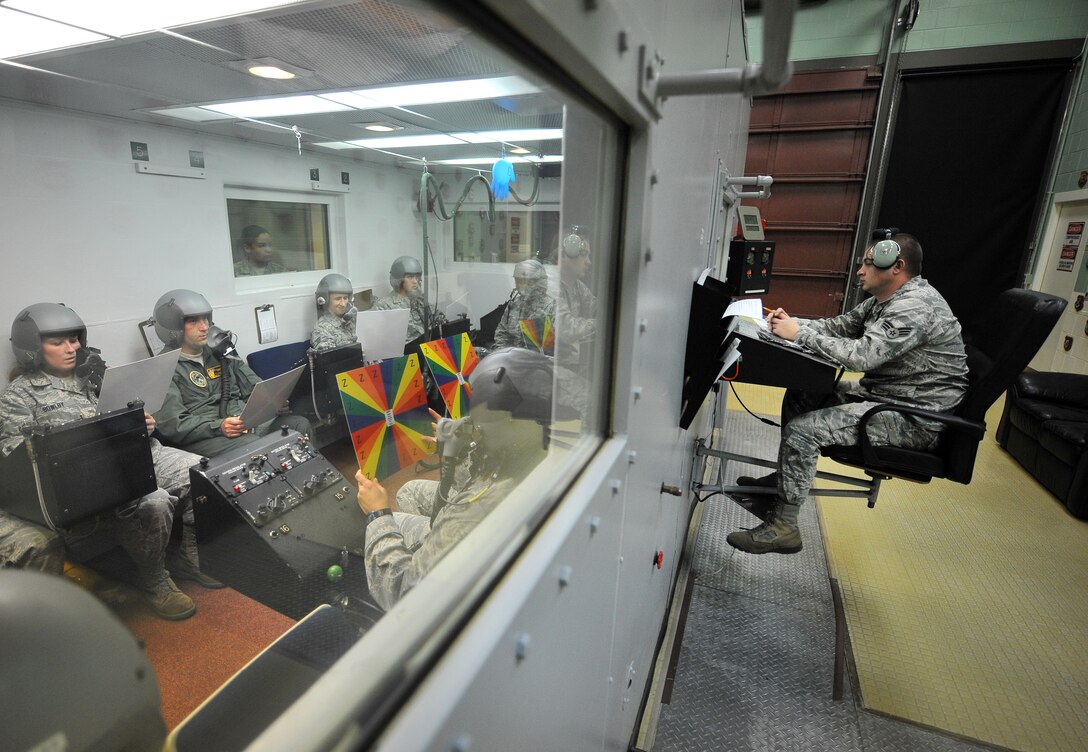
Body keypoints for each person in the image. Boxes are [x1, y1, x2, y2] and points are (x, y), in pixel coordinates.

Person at [727, 233, 969, 555]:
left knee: (805, 431)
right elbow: (837, 327)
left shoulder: (914, 308)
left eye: (869, 264)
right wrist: (789, 324)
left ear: (897, 267)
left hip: (914, 418)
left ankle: (784, 529)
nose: (860, 270)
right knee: (804, 391)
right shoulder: (884, 300)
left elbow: (860, 357)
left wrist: (799, 336)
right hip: (887, 396)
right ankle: (785, 482)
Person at [0, 303, 221, 621]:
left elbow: (125, 415)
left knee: (203, 472)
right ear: (32, 350)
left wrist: (139, 423)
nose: (72, 348)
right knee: (154, 501)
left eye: (74, 339)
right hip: (83, 475)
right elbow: (21, 461)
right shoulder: (18, 397)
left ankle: (191, 558)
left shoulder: (94, 375)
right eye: (57, 342)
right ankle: (154, 579)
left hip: (133, 454)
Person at [355, 348, 572, 610]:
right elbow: (491, 460)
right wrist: (455, 449)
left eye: (481, 421)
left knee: (384, 521)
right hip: (504, 539)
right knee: (408, 492)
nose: (473, 425)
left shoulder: (475, 509)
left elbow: (403, 592)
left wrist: (378, 514)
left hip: (466, 552)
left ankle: (423, 551)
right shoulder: (541, 444)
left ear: (501, 428)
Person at [152, 289, 312, 457]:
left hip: (239, 425)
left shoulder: (220, 351)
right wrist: (219, 426)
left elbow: (253, 386)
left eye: (206, 318)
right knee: (251, 445)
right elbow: (173, 424)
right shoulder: (162, 368)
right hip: (202, 437)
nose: (205, 327)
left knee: (299, 426)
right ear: (173, 328)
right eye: (193, 321)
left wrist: (272, 402)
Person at [493, 259, 556, 350]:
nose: (521, 285)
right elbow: (502, 333)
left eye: (525, 281)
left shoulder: (551, 307)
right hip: (512, 359)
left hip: (537, 361)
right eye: (518, 281)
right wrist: (502, 354)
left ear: (538, 282)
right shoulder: (514, 305)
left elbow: (552, 347)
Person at [556, 226, 597, 362]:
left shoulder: (577, 286)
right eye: (583, 255)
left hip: (568, 363)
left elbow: (596, 309)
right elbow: (568, 330)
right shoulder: (549, 286)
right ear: (563, 255)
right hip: (547, 366)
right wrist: (600, 323)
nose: (588, 262)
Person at [373, 255, 434, 343]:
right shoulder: (384, 305)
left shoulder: (420, 300)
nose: (415, 281)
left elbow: (438, 322)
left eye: (417, 277)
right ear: (399, 279)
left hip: (429, 348)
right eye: (410, 277)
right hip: (406, 354)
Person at [310, 273, 361, 352]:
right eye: (338, 299)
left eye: (345, 298)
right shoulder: (321, 330)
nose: (343, 304)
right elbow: (332, 359)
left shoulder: (352, 320)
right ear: (325, 300)